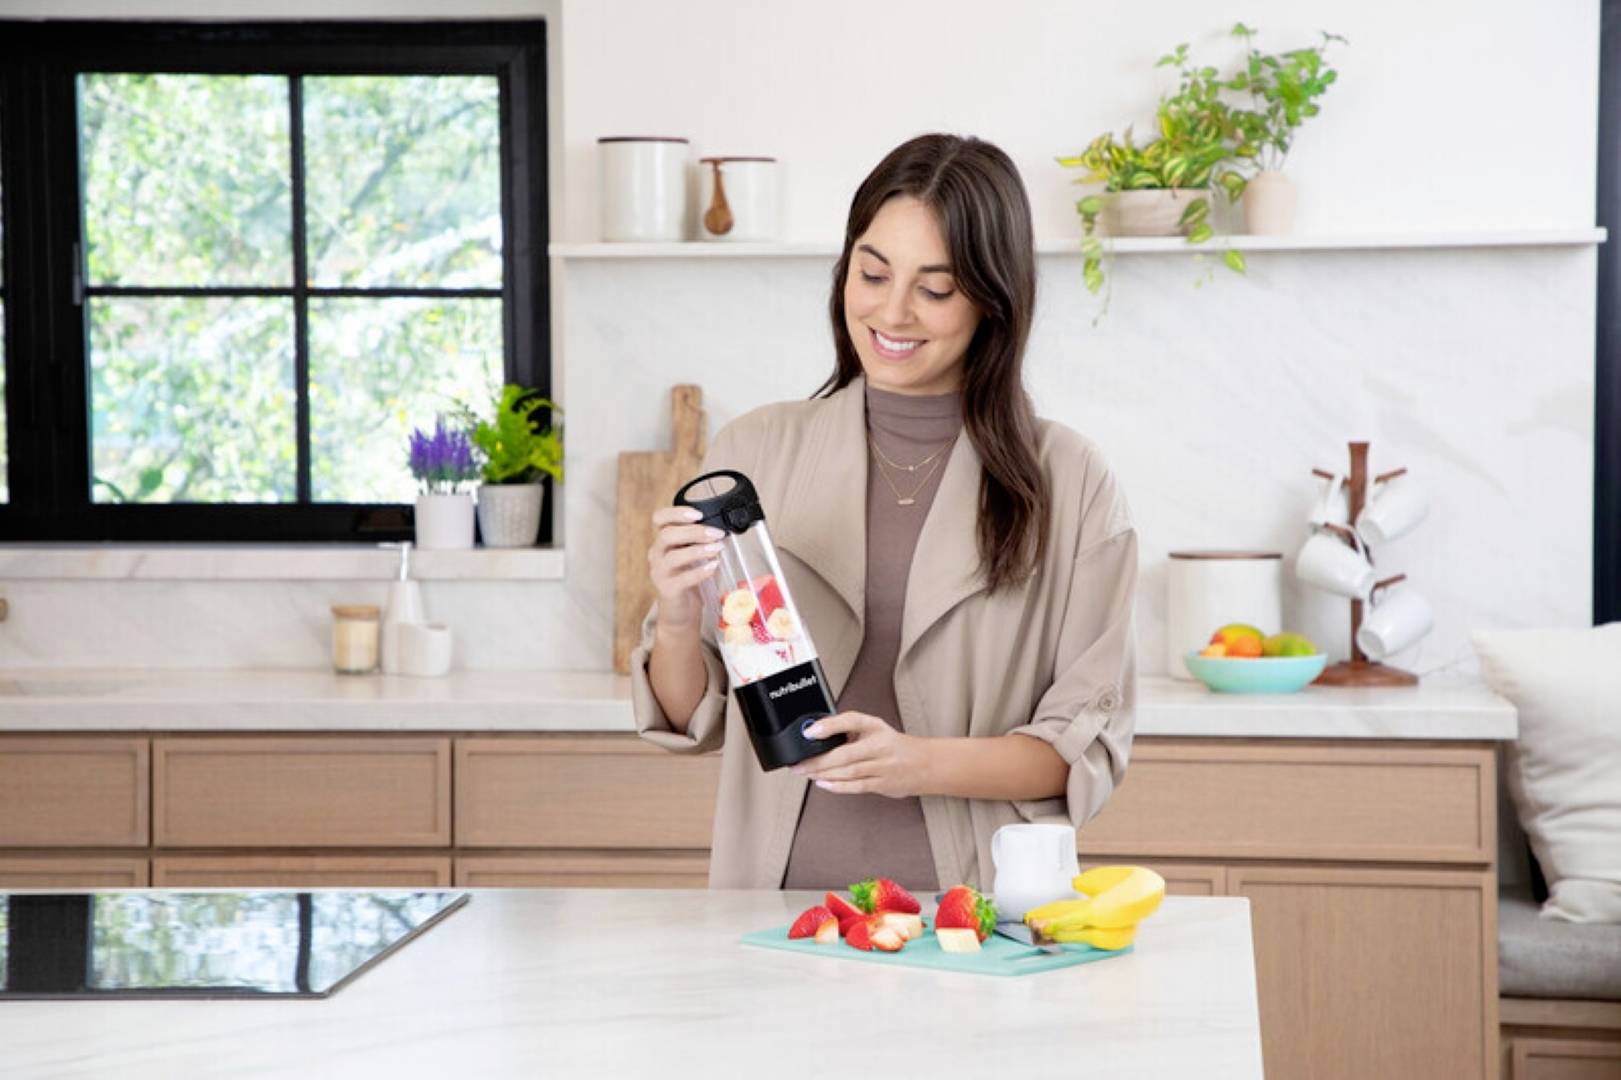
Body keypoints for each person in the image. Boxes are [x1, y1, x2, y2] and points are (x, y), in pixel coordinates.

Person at [630, 132, 1137, 893]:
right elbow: (688, 719)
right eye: (872, 274)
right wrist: (674, 615)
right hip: (771, 912)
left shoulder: (1069, 481)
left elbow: (1082, 751)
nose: (892, 312)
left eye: (935, 289)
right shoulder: (755, 450)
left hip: (973, 918)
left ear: (993, 300)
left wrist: (916, 762)